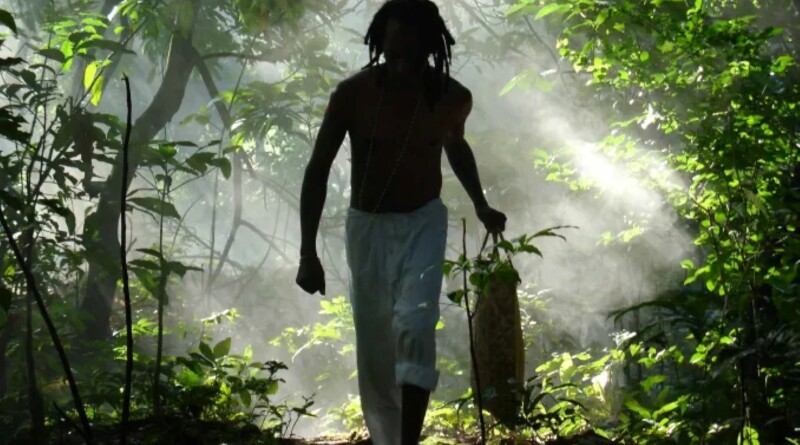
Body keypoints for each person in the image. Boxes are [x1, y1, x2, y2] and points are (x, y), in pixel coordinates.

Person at [295, 1, 506, 443]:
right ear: (380, 44)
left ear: (430, 48)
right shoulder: (352, 96)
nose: (402, 62)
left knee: (415, 324)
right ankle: (386, 439)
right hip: (368, 228)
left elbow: (455, 146)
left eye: (412, 52)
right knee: (375, 350)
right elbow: (317, 170)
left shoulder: (451, 97)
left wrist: (481, 205)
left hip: (424, 223)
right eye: (394, 50)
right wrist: (307, 253)